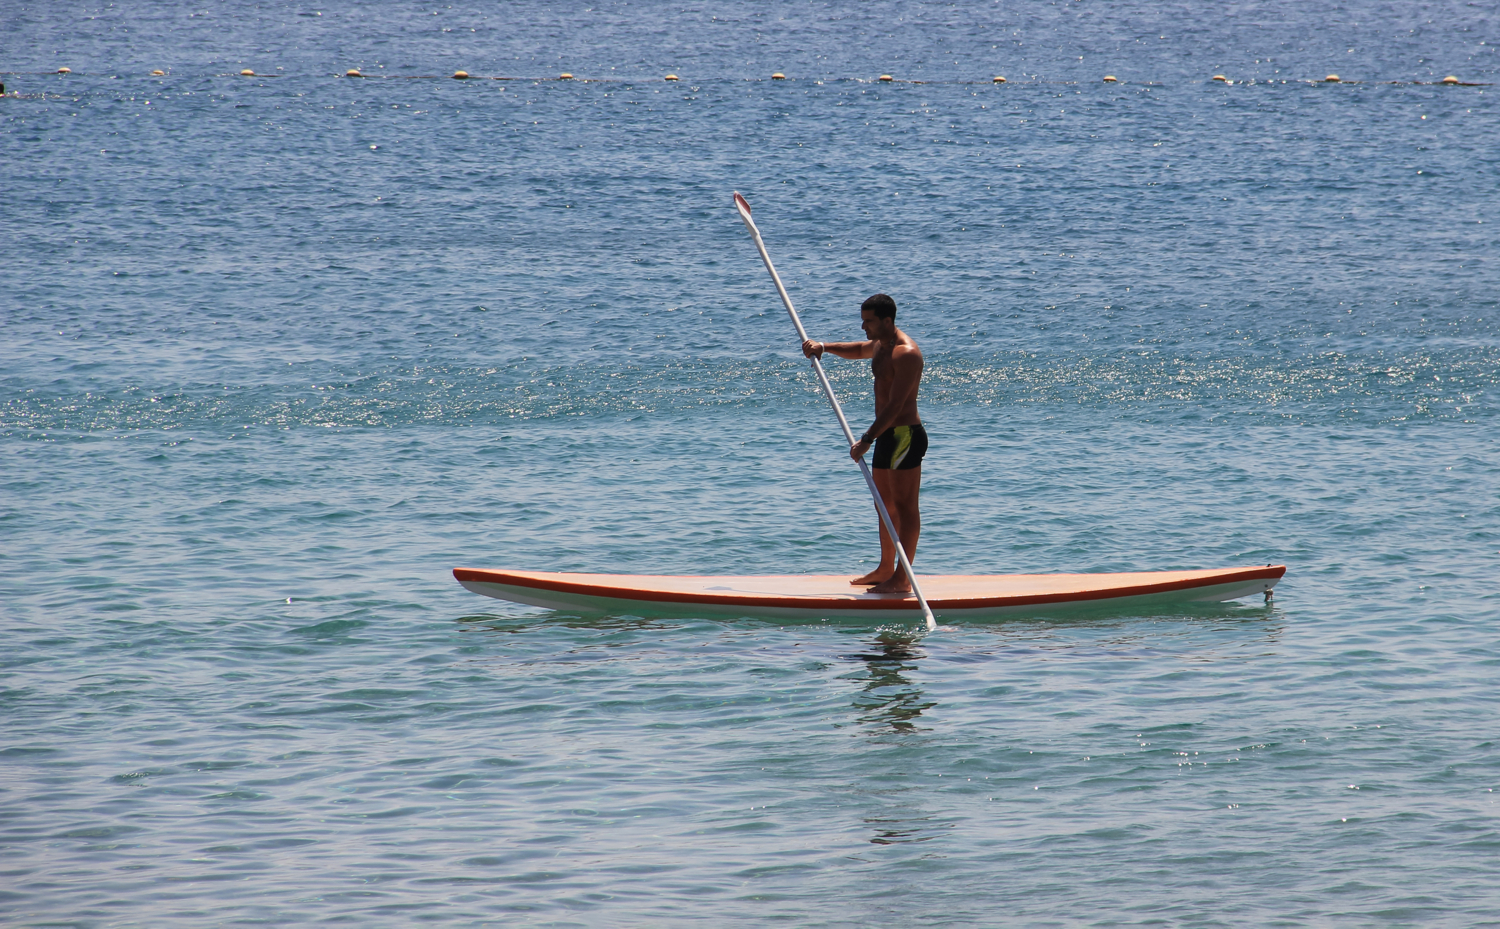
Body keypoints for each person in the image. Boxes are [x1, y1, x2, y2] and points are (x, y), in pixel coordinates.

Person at [802, 293, 927, 594]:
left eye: (868, 321)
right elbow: (858, 349)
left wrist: (866, 440)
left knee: (906, 507)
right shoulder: (880, 346)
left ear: (887, 320)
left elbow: (895, 406)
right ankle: (886, 567)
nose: (863, 327)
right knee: (883, 504)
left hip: (903, 437)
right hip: (885, 435)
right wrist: (824, 348)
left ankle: (903, 578)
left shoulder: (905, 353)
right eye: (863, 320)